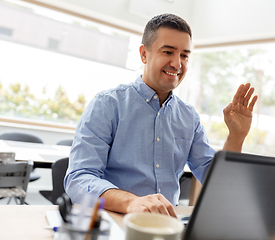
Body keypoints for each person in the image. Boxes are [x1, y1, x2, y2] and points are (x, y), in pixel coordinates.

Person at [64, 13, 258, 218]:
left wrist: (236, 136)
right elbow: (79, 178)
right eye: (168, 52)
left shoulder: (188, 117)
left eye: (184, 55)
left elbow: (219, 184)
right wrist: (132, 202)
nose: (177, 63)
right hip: (116, 219)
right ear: (144, 54)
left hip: (168, 226)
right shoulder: (107, 104)